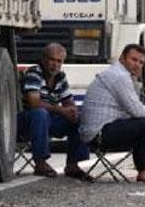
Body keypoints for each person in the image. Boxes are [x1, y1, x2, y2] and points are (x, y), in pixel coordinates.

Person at [79, 43, 145, 186]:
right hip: (99, 135)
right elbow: (137, 110)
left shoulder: (122, 76)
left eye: (141, 62)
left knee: (142, 122)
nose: (137, 65)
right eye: (134, 59)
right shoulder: (119, 76)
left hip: (99, 132)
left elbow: (133, 112)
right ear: (122, 59)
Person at [17, 43, 91, 180]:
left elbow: (69, 103)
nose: (55, 64)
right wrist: (62, 110)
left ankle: (72, 164)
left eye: (59, 61)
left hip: (49, 119)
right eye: (52, 60)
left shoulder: (60, 78)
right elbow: (34, 103)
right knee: (40, 113)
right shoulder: (34, 73)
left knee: (80, 118)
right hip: (28, 120)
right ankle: (40, 162)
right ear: (44, 59)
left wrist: (72, 112)